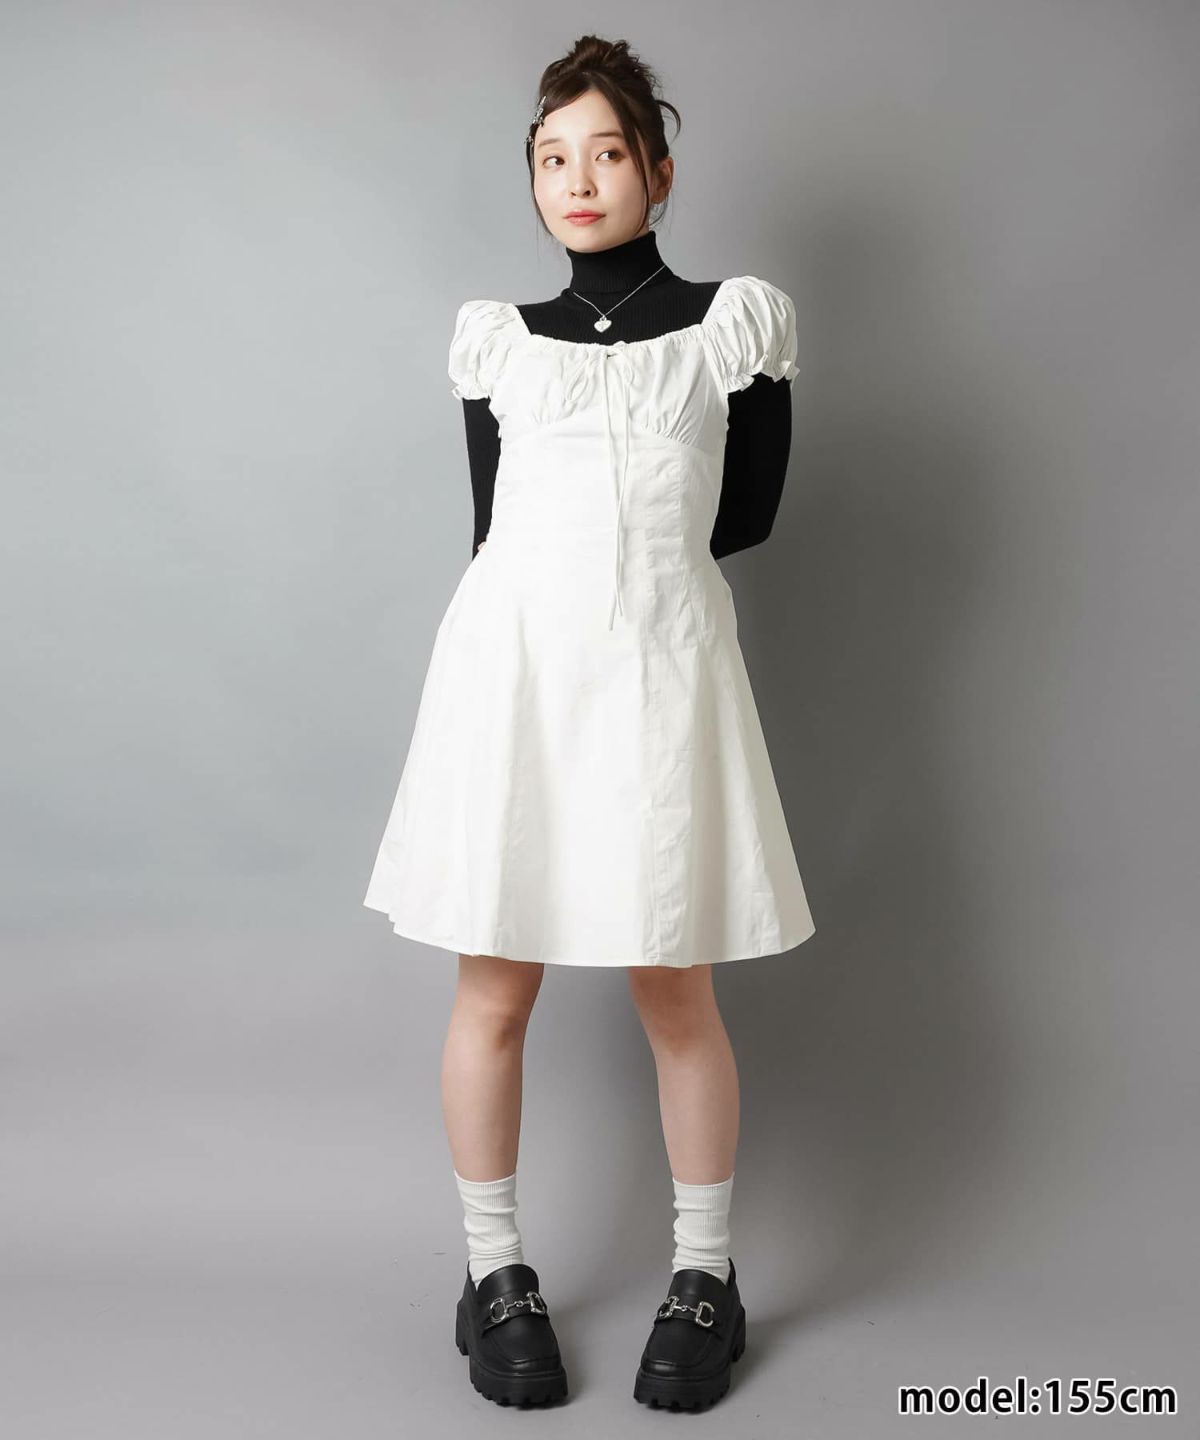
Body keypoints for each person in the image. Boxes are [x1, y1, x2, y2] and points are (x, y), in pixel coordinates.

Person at [363, 33, 816, 1411]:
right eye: (551, 158)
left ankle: (705, 1273)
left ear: (658, 172)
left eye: (606, 153)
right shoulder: (499, 344)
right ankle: (492, 1270)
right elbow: (492, 529)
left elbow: (747, 514)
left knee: (675, 986)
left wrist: (638, 594)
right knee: (494, 985)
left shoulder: (733, 326)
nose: (577, 180)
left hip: (663, 676)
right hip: (515, 685)